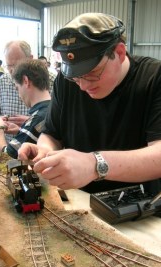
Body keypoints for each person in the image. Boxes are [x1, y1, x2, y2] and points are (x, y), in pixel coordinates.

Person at [18, 12, 161, 196]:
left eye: (93, 73)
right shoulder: (65, 81)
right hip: (78, 200)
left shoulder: (154, 78)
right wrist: (45, 152)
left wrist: (95, 164)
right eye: (76, 76)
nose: (83, 86)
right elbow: (52, 134)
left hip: (138, 211)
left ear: (119, 53)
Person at [0, 59, 51, 159]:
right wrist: (20, 131)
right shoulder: (52, 109)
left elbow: (8, 157)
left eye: (17, 88)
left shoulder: (38, 118)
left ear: (26, 81)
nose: (19, 94)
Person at [0, 40, 32, 142]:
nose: (13, 70)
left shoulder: (49, 82)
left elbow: (58, 121)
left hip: (37, 149)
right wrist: (1, 122)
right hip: (8, 147)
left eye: (17, 65)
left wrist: (31, 123)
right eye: (9, 66)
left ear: (30, 59)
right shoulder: (3, 81)